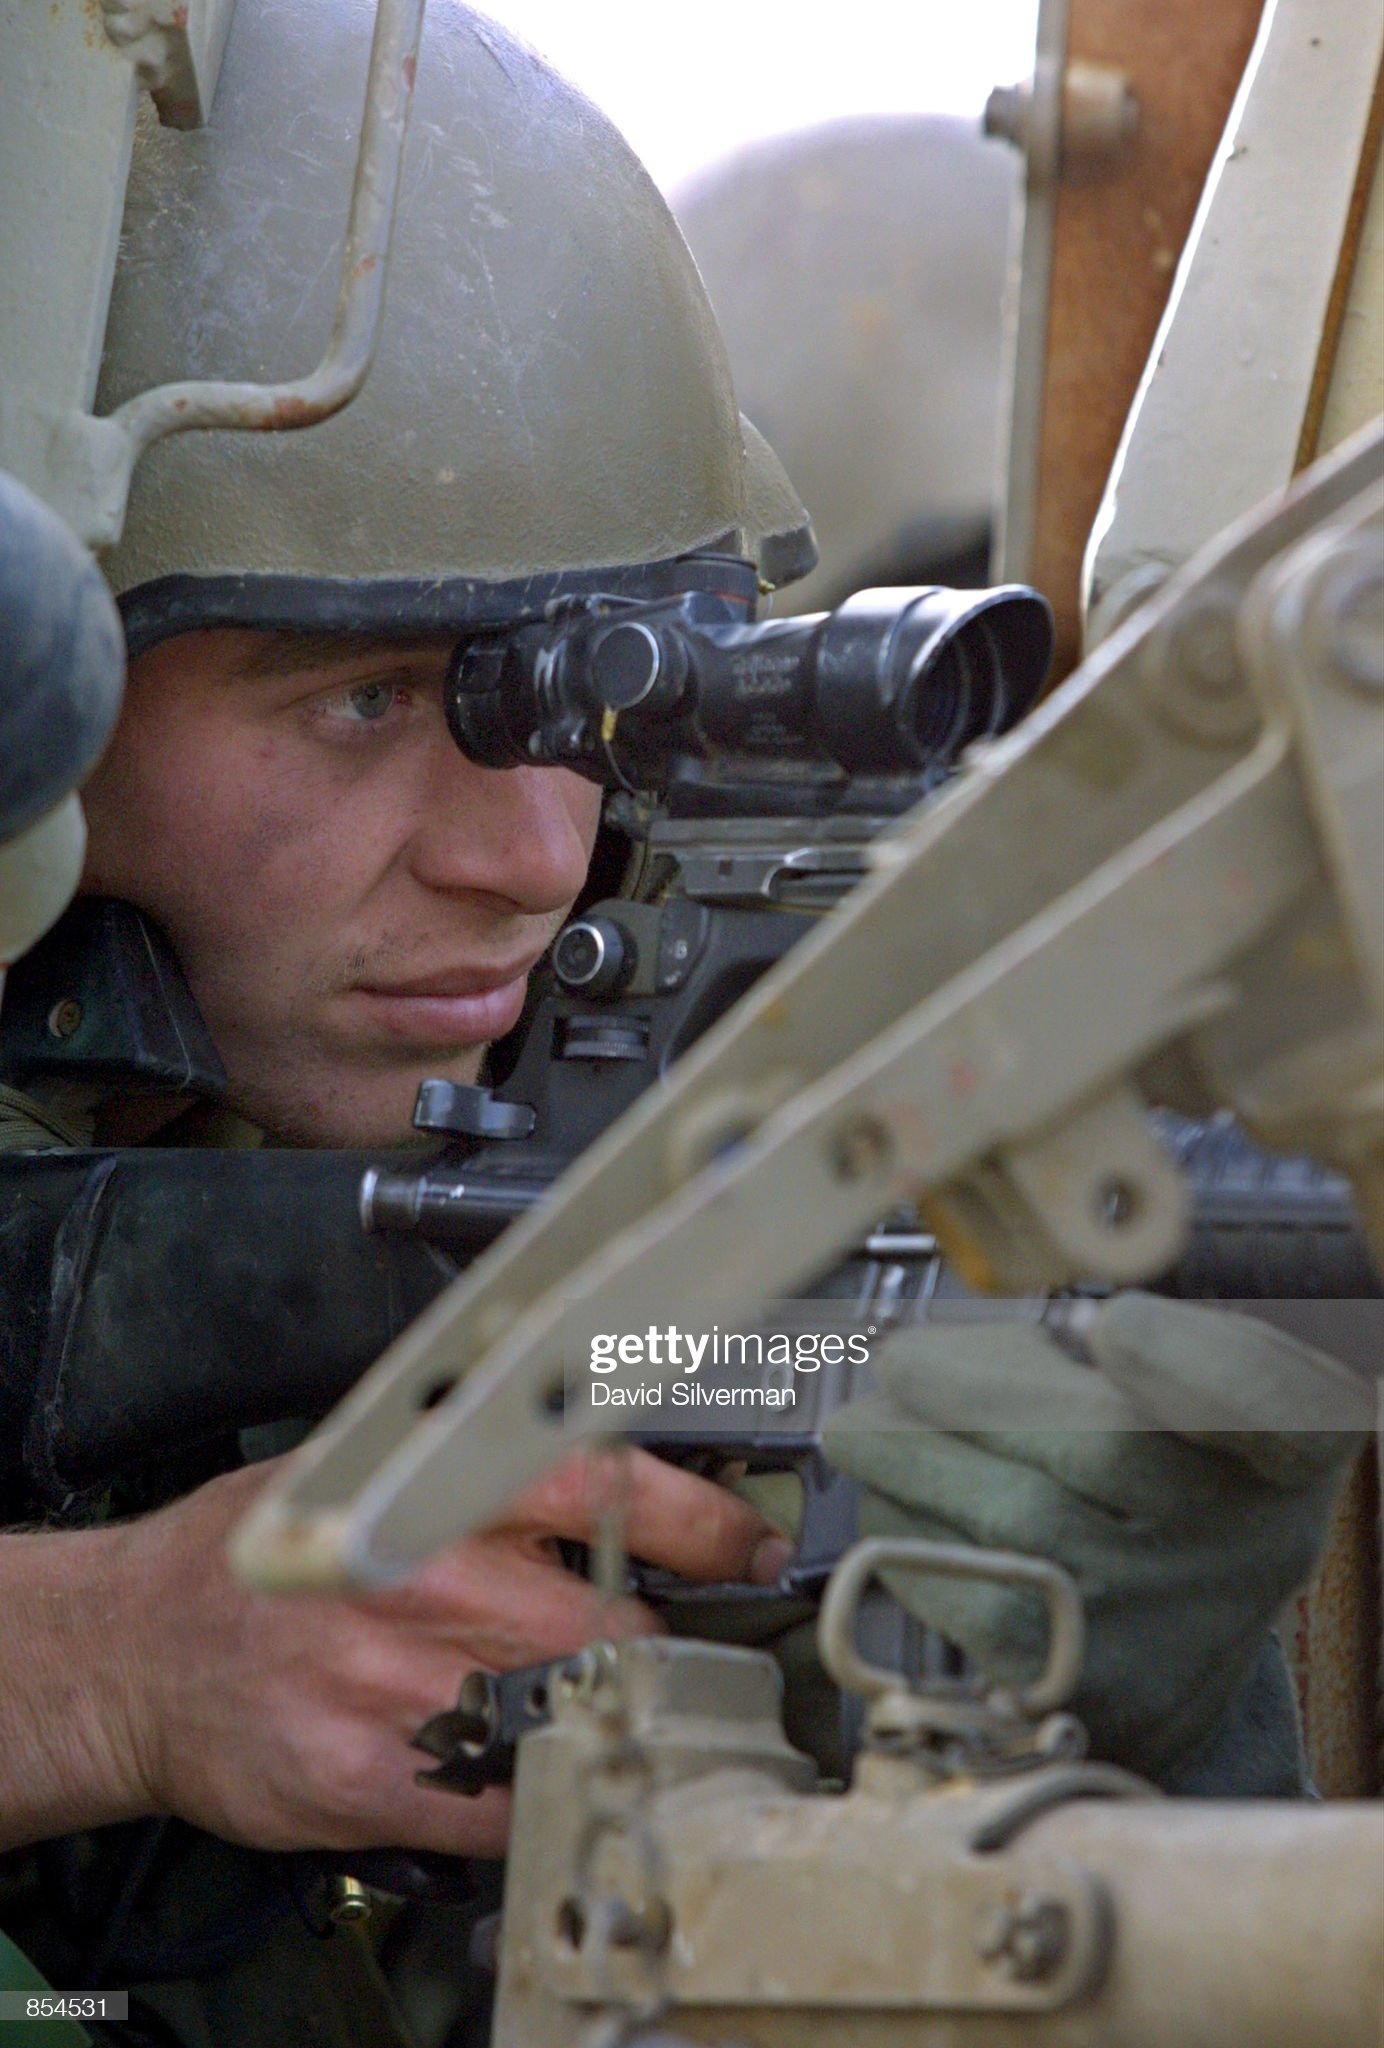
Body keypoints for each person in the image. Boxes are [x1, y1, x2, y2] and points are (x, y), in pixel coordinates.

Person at [0, 5, 1363, 2044]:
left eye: (584, 707)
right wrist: (105, 1669)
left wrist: (1022, 1682)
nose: (530, 852)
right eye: (365, 699)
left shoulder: (718, 1092)